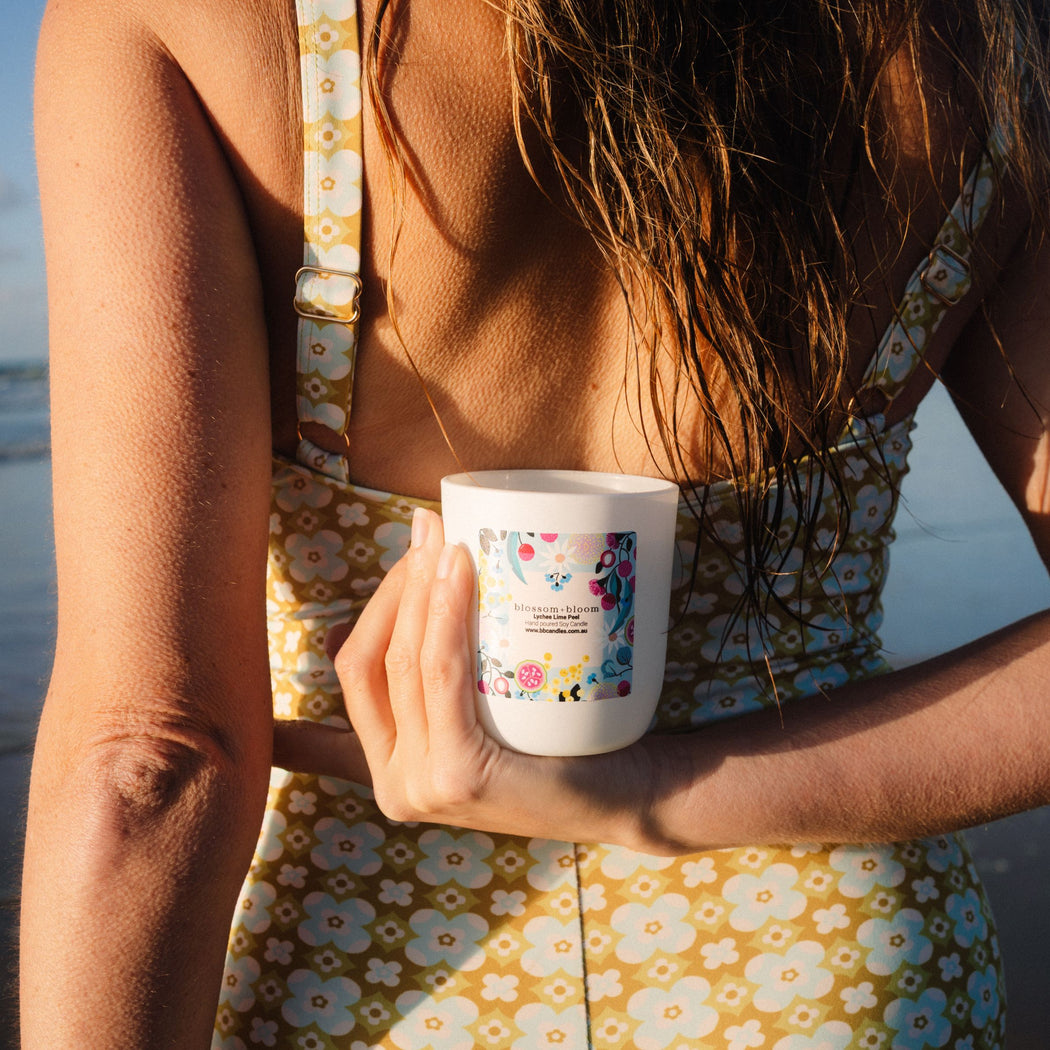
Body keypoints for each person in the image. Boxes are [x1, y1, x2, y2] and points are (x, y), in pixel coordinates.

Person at [19, 0, 1050, 1046]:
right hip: (832, 962)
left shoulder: (181, 19)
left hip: (348, 961)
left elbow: (151, 758)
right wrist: (655, 790)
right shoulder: (985, 35)